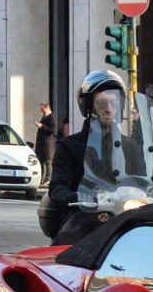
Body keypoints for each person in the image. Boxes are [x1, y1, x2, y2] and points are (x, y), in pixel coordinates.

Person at [47, 70, 145, 245]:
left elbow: (145, 182)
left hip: (124, 216)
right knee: (70, 247)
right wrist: (72, 197)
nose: (109, 109)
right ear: (89, 106)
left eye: (114, 104)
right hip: (84, 217)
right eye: (102, 103)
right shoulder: (69, 146)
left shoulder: (130, 146)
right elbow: (57, 185)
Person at [34, 103, 57, 186]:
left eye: (42, 109)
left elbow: (53, 130)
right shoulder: (44, 116)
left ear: (47, 108)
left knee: (48, 162)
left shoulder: (52, 117)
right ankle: (40, 179)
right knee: (40, 162)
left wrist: (42, 126)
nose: (41, 111)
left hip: (48, 144)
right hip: (41, 144)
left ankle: (48, 179)